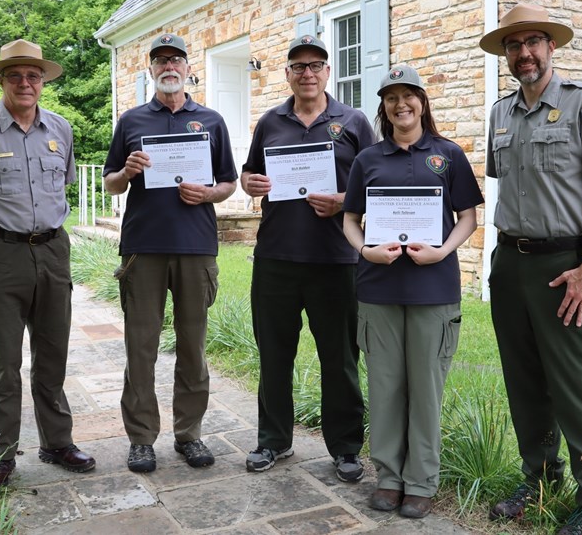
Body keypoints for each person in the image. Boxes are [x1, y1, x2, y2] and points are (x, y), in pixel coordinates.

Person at [481, 2, 582, 535]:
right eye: (514, 45)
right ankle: (539, 478)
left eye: (533, 41)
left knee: (576, 383)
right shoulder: (501, 113)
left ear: (551, 47)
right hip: (509, 264)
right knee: (524, 378)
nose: (524, 53)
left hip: (566, 266)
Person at [342, 64, 483, 518]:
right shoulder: (368, 159)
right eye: (391, 97)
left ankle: (421, 481)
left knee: (426, 389)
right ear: (383, 107)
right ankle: (388, 477)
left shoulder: (447, 155)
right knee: (384, 386)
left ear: (422, 101)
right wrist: (366, 250)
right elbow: (349, 219)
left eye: (409, 96)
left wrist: (442, 252)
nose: (401, 105)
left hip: (433, 289)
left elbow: (468, 217)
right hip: (378, 288)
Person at [241, 35, 374, 482]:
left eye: (316, 65)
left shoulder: (353, 122)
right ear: (288, 74)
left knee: (339, 358)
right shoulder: (270, 122)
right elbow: (249, 171)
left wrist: (343, 201)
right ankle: (273, 440)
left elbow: (375, 184)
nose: (307, 73)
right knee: (274, 355)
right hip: (276, 256)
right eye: (298, 66)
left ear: (327, 72)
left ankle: (346, 447)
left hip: (336, 259)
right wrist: (251, 184)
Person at [103, 33, 237, 473]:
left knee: (193, 347)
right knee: (140, 348)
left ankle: (189, 434)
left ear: (187, 67)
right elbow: (110, 182)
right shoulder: (132, 120)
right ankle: (141, 438)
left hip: (195, 248)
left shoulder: (211, 121)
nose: (168, 67)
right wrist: (127, 170)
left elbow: (227, 183)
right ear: (150, 71)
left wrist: (208, 194)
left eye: (175, 60)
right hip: (143, 248)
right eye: (160, 61)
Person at [0, 39, 95, 486]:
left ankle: (56, 442)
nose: (25, 83)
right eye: (15, 75)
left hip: (51, 249)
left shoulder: (60, 129)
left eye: (34, 75)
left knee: (53, 354)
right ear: (1, 80)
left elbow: (62, 184)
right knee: (3, 362)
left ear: (43, 82)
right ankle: (1, 456)